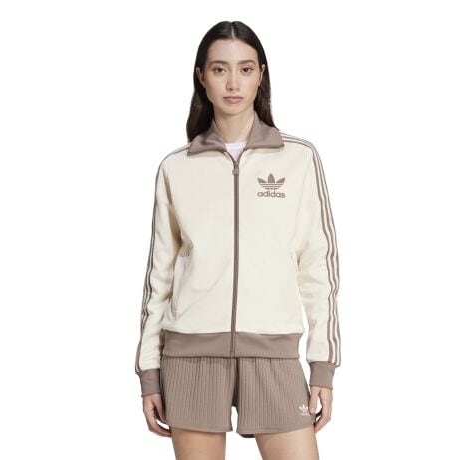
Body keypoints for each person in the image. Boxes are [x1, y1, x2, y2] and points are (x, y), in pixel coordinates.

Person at [134, 20, 341, 460]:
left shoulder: (298, 158)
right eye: (219, 69)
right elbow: (159, 280)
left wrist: (322, 364)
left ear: (261, 75)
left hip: (273, 354)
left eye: (245, 69)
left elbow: (318, 268)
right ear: (201, 77)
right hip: (190, 356)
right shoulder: (176, 168)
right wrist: (149, 371)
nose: (233, 83)